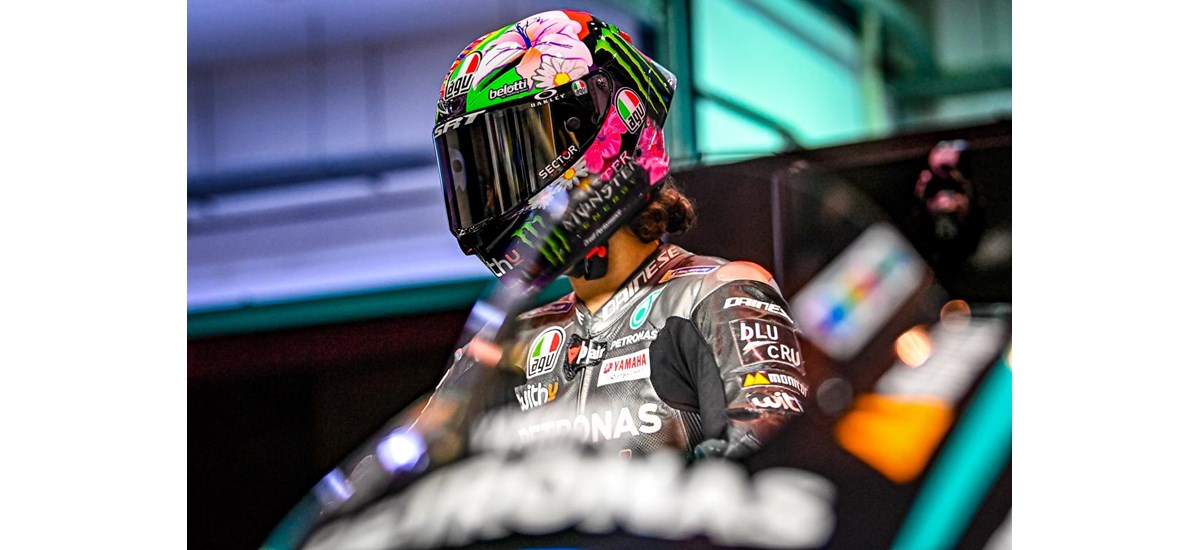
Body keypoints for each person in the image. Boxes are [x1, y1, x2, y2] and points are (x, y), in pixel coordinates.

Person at [432, 9, 808, 460]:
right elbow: (408, 477)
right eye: (482, 174)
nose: (494, 193)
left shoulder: (713, 295)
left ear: (608, 127)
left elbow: (774, 464)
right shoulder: (507, 345)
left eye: (516, 159)